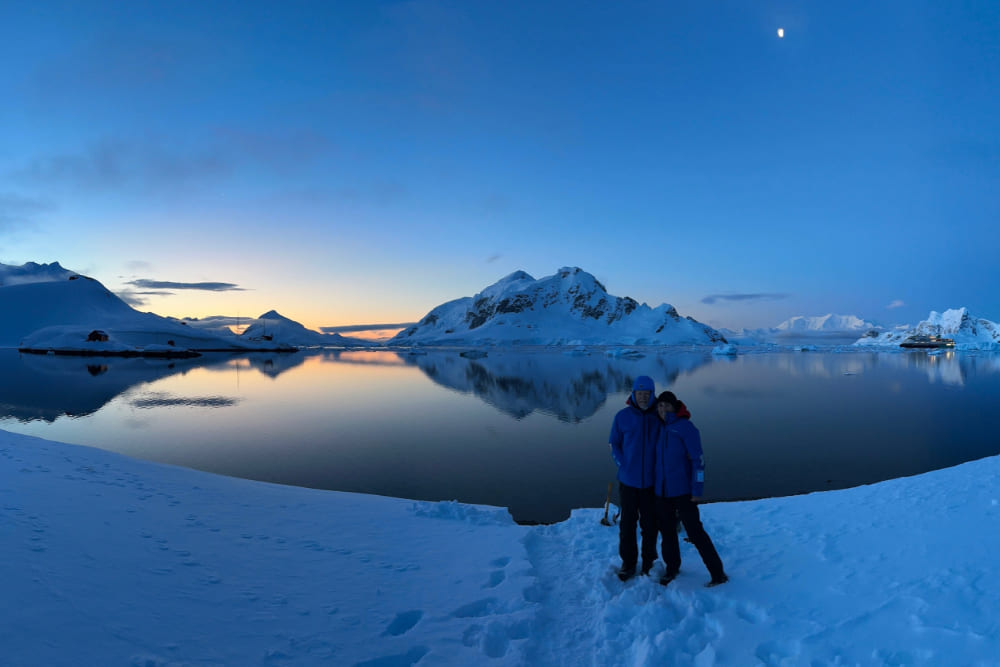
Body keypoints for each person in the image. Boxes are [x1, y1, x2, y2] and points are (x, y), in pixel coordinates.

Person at [652, 391, 728, 588]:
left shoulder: (685, 428)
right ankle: (672, 568)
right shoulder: (659, 428)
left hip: (683, 492)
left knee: (695, 532)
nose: (662, 409)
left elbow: (698, 461)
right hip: (662, 492)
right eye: (660, 406)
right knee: (667, 532)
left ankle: (718, 573)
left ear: (674, 406)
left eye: (666, 406)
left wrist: (697, 489)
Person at [608, 375, 660, 581]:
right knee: (627, 524)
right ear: (633, 394)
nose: (643, 398)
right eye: (640, 394)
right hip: (628, 482)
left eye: (647, 394)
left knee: (650, 525)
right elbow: (614, 444)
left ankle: (649, 562)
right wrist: (622, 463)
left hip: (651, 483)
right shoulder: (622, 417)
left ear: (653, 394)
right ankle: (628, 563)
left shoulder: (660, 416)